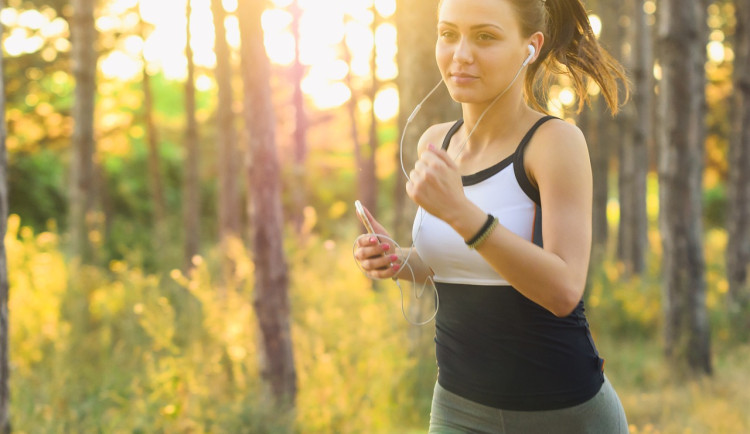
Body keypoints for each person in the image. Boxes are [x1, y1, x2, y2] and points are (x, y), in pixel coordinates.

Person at [354, 0, 629, 432]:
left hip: (563, 412)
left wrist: (463, 215)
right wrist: (400, 261)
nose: (461, 54)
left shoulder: (554, 143)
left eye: (485, 36)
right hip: (458, 407)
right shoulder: (435, 142)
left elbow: (563, 290)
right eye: (448, 34)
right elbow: (460, 263)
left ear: (530, 46)